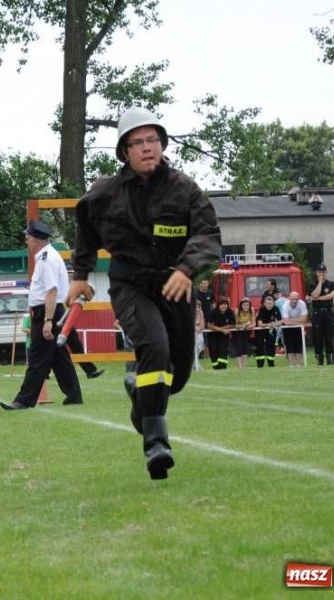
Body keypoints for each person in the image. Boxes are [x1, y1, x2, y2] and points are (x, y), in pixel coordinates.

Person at [68, 106, 222, 480]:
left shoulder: (185, 189)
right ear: (125, 151)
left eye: (152, 139)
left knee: (176, 377)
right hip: (131, 284)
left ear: (162, 144)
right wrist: (80, 274)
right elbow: (85, 226)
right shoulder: (105, 192)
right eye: (137, 142)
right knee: (155, 347)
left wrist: (187, 269)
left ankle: (140, 395)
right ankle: (156, 444)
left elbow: (208, 235)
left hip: (175, 285)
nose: (147, 147)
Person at [2, 219, 83, 410]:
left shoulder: (46, 259)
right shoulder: (48, 256)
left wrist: (47, 320)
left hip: (47, 313)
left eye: (27, 238)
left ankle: (23, 400)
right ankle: (74, 395)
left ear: (35, 240)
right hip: (49, 311)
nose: (26, 242)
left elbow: (51, 291)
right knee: (59, 358)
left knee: (37, 359)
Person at [309, 263, 334, 365]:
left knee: (329, 337)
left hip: (328, 312)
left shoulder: (331, 284)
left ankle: (330, 360)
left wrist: (319, 298)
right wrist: (320, 282)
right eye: (320, 272)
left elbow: (332, 295)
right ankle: (319, 360)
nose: (322, 274)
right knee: (318, 337)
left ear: (326, 272)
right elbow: (314, 294)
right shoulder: (313, 284)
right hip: (317, 313)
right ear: (316, 273)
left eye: (323, 272)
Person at [280, 292, 309, 366]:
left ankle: (299, 364)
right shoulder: (285, 305)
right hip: (288, 327)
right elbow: (286, 322)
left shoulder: (302, 304)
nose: (294, 301)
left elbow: (304, 319)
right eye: (293, 299)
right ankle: (291, 364)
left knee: (298, 345)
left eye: (296, 299)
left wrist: (290, 320)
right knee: (289, 345)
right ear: (289, 298)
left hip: (299, 327)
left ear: (298, 299)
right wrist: (300, 321)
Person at [207, 298, 235, 369]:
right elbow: (209, 326)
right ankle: (216, 368)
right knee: (213, 351)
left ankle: (223, 368)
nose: (224, 306)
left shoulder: (230, 312)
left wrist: (222, 329)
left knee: (223, 350)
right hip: (213, 335)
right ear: (218, 305)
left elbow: (233, 324)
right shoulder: (213, 312)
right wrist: (222, 330)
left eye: (225, 304)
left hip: (224, 336)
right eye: (222, 304)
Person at [254, 294, 282, 367]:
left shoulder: (276, 308)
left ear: (273, 303)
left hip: (271, 330)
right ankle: (260, 365)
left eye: (270, 304)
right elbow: (260, 324)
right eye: (267, 304)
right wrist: (269, 324)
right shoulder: (261, 309)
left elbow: (280, 322)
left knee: (271, 346)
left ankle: (271, 364)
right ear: (264, 303)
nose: (269, 305)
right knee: (260, 346)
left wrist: (274, 324)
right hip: (260, 330)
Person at [231, 297, 253, 368]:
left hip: (246, 330)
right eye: (244, 305)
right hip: (237, 331)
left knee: (245, 348)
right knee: (239, 348)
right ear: (241, 305)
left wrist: (247, 326)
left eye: (247, 305)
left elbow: (253, 323)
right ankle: (240, 367)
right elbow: (235, 325)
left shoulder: (251, 310)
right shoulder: (237, 311)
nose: (246, 306)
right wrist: (244, 325)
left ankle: (244, 367)